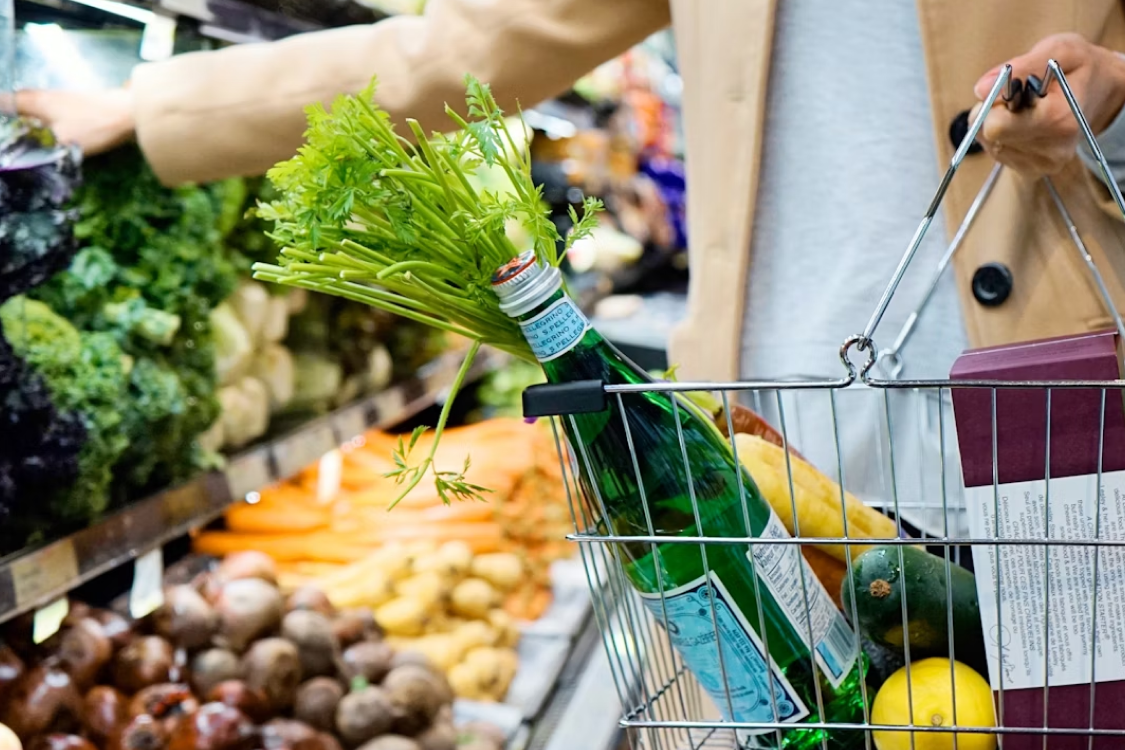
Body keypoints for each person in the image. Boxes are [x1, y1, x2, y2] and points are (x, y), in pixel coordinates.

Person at [18, 0, 1125, 535]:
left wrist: (1111, 115)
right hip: (773, 434)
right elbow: (454, 51)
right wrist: (155, 107)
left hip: (1066, 418)